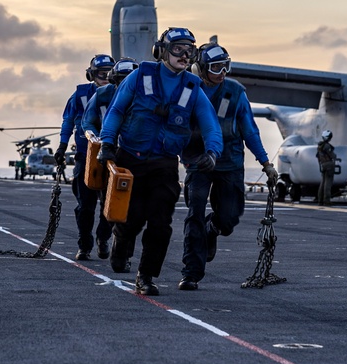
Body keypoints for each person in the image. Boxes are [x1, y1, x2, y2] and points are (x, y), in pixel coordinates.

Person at [98, 27, 222, 296]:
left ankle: (146, 276)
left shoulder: (192, 87)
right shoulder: (138, 76)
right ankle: (121, 242)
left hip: (164, 165)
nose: (184, 54)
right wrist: (107, 144)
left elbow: (210, 125)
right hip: (129, 159)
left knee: (160, 224)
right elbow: (116, 111)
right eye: (178, 48)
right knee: (129, 221)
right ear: (161, 51)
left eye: (189, 50)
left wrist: (213, 152)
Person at [179, 42, 277, 291]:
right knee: (194, 217)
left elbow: (250, 131)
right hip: (199, 164)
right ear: (201, 68)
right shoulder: (187, 90)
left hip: (230, 163)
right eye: (216, 67)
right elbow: (174, 124)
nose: (222, 72)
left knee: (229, 220)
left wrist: (266, 164)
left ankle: (214, 229)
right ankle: (191, 272)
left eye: (226, 66)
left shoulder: (235, 93)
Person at [59, 53, 116, 260]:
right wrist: (62, 145)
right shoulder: (80, 96)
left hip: (112, 157)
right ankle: (84, 244)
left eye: (110, 74)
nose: (106, 78)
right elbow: (68, 121)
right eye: (102, 74)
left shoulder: (120, 94)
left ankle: (103, 238)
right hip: (86, 156)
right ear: (91, 75)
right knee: (85, 205)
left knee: (110, 204)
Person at [316, 129, 338, 205]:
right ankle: (326, 200)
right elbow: (333, 155)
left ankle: (320, 200)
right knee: (328, 183)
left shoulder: (319, 146)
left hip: (323, 165)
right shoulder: (327, 146)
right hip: (329, 165)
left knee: (322, 183)